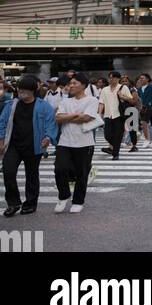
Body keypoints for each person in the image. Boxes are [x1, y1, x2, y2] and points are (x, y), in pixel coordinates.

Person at [0, 73, 58, 217]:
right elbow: (2, 123)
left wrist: (48, 137)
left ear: (32, 90)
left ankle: (31, 204)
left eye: (24, 90)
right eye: (19, 89)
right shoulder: (11, 105)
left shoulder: (43, 106)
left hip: (34, 145)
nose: (21, 92)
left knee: (32, 175)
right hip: (13, 146)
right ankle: (13, 203)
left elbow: (51, 123)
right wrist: (1, 141)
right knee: (8, 172)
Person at [53, 71, 101, 215]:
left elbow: (86, 117)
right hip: (65, 141)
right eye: (70, 83)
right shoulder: (65, 101)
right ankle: (64, 195)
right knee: (59, 169)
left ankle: (78, 201)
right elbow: (58, 118)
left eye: (74, 83)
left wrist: (67, 117)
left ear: (83, 85)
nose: (71, 86)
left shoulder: (92, 100)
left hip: (84, 142)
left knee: (82, 173)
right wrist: (75, 115)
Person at [97, 71, 126, 160]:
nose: (111, 79)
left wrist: (122, 97)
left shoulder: (123, 88)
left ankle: (115, 154)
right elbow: (101, 102)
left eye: (113, 77)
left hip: (119, 115)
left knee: (118, 134)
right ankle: (116, 146)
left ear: (118, 78)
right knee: (107, 135)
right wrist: (99, 114)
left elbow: (131, 100)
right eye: (110, 77)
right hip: (108, 115)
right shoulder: (105, 89)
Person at [137, 74, 152, 146]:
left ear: (147, 79)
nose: (141, 80)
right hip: (142, 108)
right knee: (147, 124)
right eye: (140, 78)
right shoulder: (139, 89)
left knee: (144, 122)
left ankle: (147, 139)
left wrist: (151, 104)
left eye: (142, 78)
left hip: (150, 108)